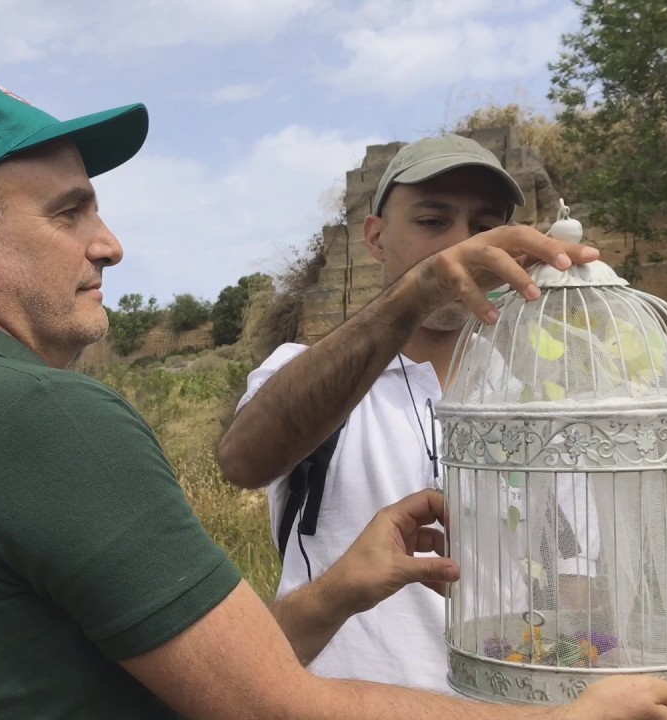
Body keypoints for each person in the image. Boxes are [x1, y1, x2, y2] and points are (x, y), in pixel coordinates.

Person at [0, 81, 667, 719]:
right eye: (70, 213)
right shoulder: (35, 413)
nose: (107, 244)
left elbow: (199, 681)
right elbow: (273, 706)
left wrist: (336, 593)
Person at [218, 135, 604, 690]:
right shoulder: (309, 373)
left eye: (482, 227)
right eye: (432, 221)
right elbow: (242, 460)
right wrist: (415, 293)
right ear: (376, 238)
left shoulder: (533, 403)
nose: (458, 248)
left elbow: (577, 578)